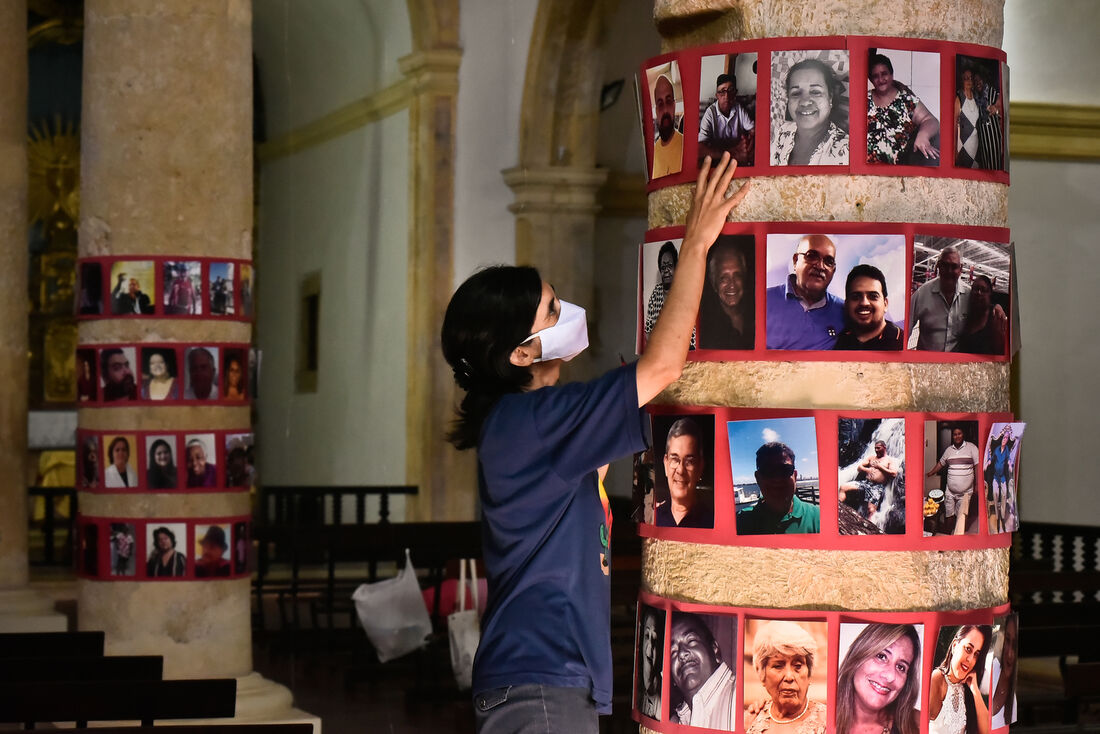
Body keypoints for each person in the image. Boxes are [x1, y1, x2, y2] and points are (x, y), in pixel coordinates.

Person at [441, 154, 749, 732]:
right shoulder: (537, 421)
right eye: (552, 310)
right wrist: (697, 244)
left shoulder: (524, 423)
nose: (568, 314)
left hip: (541, 676)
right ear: (521, 351)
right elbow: (660, 367)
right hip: (540, 679)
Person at [836, 624, 921, 734]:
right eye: (881, 656)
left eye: (901, 667)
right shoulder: (818, 720)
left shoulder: (919, 726)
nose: (890, 676)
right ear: (857, 655)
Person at [745, 621, 827, 734]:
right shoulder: (751, 720)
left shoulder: (828, 721)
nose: (789, 677)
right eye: (778, 666)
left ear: (809, 673)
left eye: (798, 666)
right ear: (762, 674)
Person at [766, 235, 844, 350]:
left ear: (833, 271)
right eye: (812, 256)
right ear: (795, 261)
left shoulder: (844, 312)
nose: (820, 266)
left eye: (828, 261)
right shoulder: (763, 301)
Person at [771, 58, 848, 166]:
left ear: (830, 97)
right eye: (796, 93)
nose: (805, 102)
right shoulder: (781, 133)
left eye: (815, 92)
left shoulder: (846, 150)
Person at [866, 52, 939, 165]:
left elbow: (931, 120)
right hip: (867, 172)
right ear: (871, 79)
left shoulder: (906, 100)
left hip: (900, 172)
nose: (880, 79)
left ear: (891, 74)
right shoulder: (864, 99)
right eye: (875, 76)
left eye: (884, 74)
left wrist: (923, 135)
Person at [737, 442, 820, 535]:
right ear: (758, 478)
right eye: (768, 471)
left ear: (795, 476)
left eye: (785, 470)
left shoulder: (818, 517)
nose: (777, 479)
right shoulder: (740, 521)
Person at [669, 612, 736, 729]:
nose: (681, 654)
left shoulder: (739, 698)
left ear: (714, 649)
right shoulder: (677, 721)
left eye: (691, 641)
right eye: (672, 652)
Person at [909, 246, 972, 352]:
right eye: (945, 265)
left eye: (954, 267)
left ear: (960, 269)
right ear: (938, 266)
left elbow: (985, 311)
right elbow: (905, 329)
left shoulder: (969, 295)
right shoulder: (922, 294)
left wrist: (996, 307)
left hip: (955, 366)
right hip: (926, 364)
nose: (949, 271)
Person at [929, 626, 991, 734]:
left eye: (976, 654)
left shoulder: (967, 687)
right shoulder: (937, 679)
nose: (970, 659)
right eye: (968, 649)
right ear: (954, 646)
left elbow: (986, 731)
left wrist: (975, 690)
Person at [655, 418, 714, 528]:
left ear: (700, 467)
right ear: (665, 464)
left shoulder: (711, 523)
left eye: (689, 462)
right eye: (675, 459)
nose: (681, 470)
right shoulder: (652, 518)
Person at [834, 264, 903, 350]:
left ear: (885, 304)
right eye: (856, 297)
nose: (864, 303)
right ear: (846, 304)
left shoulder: (902, 343)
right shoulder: (837, 341)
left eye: (873, 296)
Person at [926, 426, 980, 535]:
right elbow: (941, 463)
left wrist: (977, 484)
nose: (957, 436)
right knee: (948, 515)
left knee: (961, 518)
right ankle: (948, 535)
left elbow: (977, 466)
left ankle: (958, 539)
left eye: (959, 433)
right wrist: (931, 472)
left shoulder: (972, 447)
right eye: (955, 434)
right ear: (953, 436)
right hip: (950, 491)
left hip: (966, 492)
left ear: (963, 434)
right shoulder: (949, 450)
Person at [700, 239, 753, 349]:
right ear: (714, 283)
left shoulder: (756, 313)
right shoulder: (705, 327)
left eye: (737, 275)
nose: (732, 285)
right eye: (724, 278)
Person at [645, 242, 695, 349]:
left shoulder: (686, 291)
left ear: (676, 267)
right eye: (663, 267)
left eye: (669, 266)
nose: (666, 270)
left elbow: (693, 337)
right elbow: (648, 330)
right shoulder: (656, 293)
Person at [698, 72, 754, 166]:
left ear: (735, 93)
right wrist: (732, 153)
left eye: (730, 90)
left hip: (739, 158)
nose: (727, 96)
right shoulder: (710, 113)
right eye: (722, 91)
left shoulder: (739, 108)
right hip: (719, 158)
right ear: (717, 95)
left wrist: (748, 145)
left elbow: (753, 130)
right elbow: (700, 149)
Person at [840, 440, 900, 518]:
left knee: (871, 510)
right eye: (875, 448)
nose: (876, 450)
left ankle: (870, 528)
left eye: (878, 448)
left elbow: (894, 474)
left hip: (876, 487)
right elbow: (859, 467)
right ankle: (838, 510)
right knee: (843, 487)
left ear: (884, 448)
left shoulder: (889, 460)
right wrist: (867, 470)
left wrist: (880, 467)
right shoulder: (871, 458)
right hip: (865, 483)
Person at [953, 275, 1007, 355]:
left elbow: (1000, 352)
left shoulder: (995, 317)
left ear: (990, 294)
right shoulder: (968, 312)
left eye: (983, 290)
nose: (978, 293)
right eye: (975, 289)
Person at [986, 425, 1018, 533]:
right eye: (1004, 437)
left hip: (1003, 478)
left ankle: (1003, 517)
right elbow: (991, 458)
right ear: (1002, 438)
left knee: (1004, 494)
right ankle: (997, 514)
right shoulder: (996, 449)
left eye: (1007, 438)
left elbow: (1009, 459)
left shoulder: (1007, 449)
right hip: (995, 476)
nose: (1005, 440)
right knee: (995, 493)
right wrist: (988, 462)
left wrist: (1009, 465)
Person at [651, 74, 684, 178]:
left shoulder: (686, 146)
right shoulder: (652, 154)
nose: (665, 110)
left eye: (668, 101)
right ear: (656, 111)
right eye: (660, 104)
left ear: (674, 106)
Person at [989, 616, 1018, 730]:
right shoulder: (989, 670)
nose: (1010, 654)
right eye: (1007, 640)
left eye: (1014, 645)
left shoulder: (1012, 703)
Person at [637, 608, 663, 720]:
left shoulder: (660, 698)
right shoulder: (638, 692)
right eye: (647, 636)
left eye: (655, 639)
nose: (650, 645)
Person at [954, 68, 981, 168]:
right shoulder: (959, 98)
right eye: (966, 78)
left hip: (976, 145)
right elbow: (954, 125)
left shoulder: (977, 98)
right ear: (962, 81)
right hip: (963, 145)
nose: (969, 81)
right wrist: (954, 151)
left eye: (971, 78)